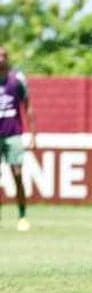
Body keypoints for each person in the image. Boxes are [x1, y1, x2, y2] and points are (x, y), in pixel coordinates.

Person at [0, 46, 36, 232]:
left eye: (3, 55)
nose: (0, 59)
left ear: (8, 58)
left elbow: (28, 106)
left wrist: (33, 134)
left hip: (13, 134)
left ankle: (22, 216)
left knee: (17, 175)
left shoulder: (17, 79)